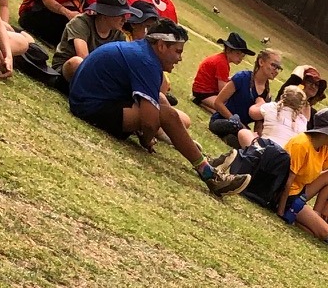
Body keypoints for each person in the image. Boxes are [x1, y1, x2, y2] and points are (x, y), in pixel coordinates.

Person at [67, 19, 249, 196]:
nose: (180, 58)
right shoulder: (147, 61)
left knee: (160, 100)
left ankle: (199, 155)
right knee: (167, 114)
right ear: (161, 46)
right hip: (89, 107)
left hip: (89, 100)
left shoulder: (143, 52)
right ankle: (209, 174)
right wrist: (146, 139)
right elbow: (149, 122)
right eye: (177, 52)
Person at [278, 108, 328, 238]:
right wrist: (280, 212)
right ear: (326, 133)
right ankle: (292, 215)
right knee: (325, 232)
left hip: (300, 191)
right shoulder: (301, 144)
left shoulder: (323, 148)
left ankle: (313, 214)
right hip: (287, 194)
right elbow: (288, 180)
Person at [50, 0, 128, 84]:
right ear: (106, 14)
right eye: (120, 14)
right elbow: (84, 58)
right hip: (66, 73)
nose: (124, 19)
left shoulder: (119, 35)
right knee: (77, 63)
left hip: (96, 77)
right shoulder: (81, 22)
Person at [210, 47, 281, 148]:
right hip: (222, 121)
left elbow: (259, 123)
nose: (276, 70)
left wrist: (259, 139)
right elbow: (218, 103)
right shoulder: (242, 77)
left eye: (279, 68)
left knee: (250, 144)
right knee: (234, 126)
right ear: (261, 62)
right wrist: (236, 122)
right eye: (274, 65)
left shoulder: (266, 94)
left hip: (241, 130)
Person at [191, 31, 249, 112]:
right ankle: (200, 101)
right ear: (228, 50)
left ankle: (203, 103)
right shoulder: (222, 63)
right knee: (227, 109)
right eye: (238, 53)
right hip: (203, 93)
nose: (240, 58)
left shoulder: (222, 60)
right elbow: (222, 90)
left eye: (242, 56)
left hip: (204, 91)